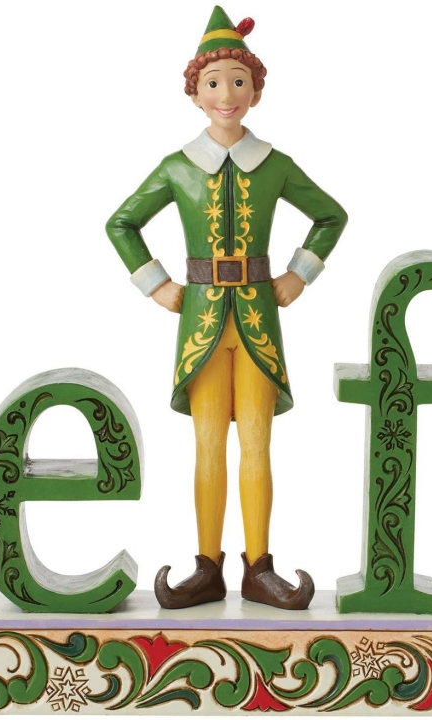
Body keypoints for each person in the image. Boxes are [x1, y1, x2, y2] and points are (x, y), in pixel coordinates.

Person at [106, 6, 347, 610]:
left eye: (239, 82)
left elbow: (331, 215)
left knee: (258, 444)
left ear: (255, 91)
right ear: (195, 92)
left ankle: (259, 567)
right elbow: (122, 222)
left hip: (258, 319)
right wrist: (157, 284)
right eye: (213, 83)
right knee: (209, 445)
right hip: (202, 323)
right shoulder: (178, 167)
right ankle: (206, 565)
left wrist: (299, 273)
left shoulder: (275, 165)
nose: (226, 95)